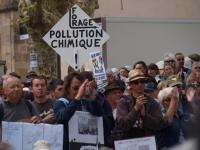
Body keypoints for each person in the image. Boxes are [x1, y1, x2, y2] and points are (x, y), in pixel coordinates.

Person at [53, 72, 102, 150]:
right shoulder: (60, 102)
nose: (79, 91)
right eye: (75, 88)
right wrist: (78, 97)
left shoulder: (86, 101)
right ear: (68, 88)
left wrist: (92, 98)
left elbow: (99, 114)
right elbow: (62, 118)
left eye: (81, 88)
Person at [116, 70, 164, 144]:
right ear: (130, 85)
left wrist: (145, 115)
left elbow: (159, 125)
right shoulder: (123, 102)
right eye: (136, 82)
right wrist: (135, 109)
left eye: (142, 81)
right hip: (129, 143)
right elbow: (122, 125)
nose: (140, 84)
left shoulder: (152, 102)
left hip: (148, 143)